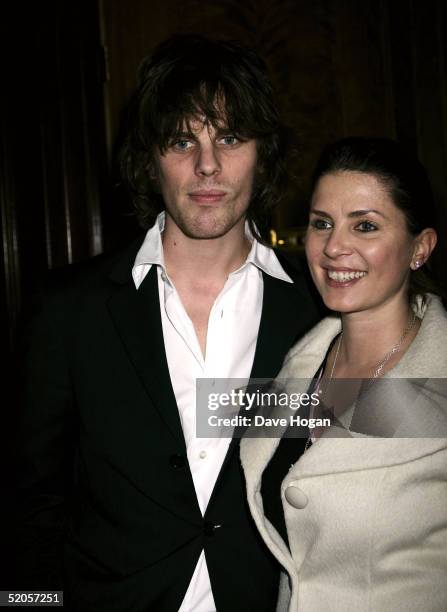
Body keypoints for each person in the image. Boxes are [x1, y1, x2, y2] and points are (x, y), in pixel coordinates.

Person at [15, 34, 320, 611]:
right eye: (182, 140)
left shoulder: (317, 307)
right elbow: (29, 508)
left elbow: (388, 449)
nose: (207, 165)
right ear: (150, 158)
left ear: (263, 152)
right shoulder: (67, 311)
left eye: (230, 137)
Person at [241, 137, 447, 611]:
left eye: (366, 226)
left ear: (420, 248)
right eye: (322, 224)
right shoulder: (295, 360)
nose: (335, 247)